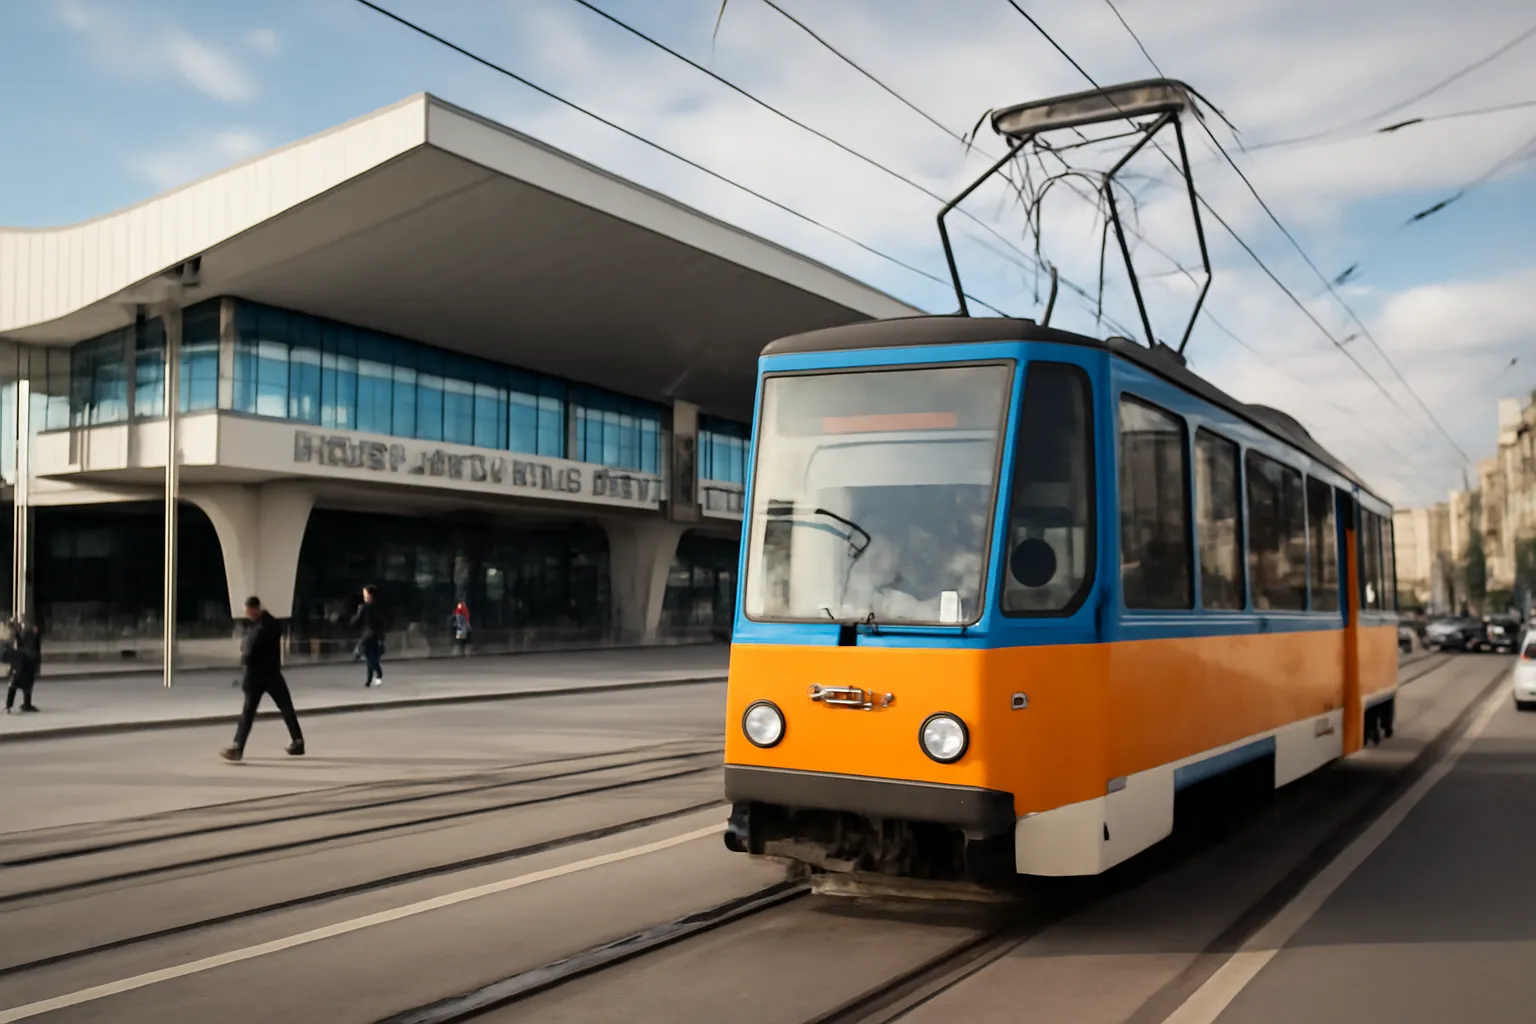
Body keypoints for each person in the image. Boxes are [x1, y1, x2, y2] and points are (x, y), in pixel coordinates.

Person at [221, 596, 304, 761]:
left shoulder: (260, 628)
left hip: (257, 676)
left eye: (247, 612)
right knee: (286, 706)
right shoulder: (271, 624)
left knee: (248, 713)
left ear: (254, 609)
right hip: (273, 674)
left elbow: (249, 652)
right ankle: (298, 741)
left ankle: (238, 747)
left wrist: (244, 651)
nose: (247, 615)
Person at [350, 585, 387, 688]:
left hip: (368, 635)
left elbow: (357, 619)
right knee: (371, 657)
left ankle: (377, 674)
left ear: (370, 595)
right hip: (374, 635)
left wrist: (351, 621)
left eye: (365, 593)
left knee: (370, 658)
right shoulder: (377, 606)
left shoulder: (365, 607)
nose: (364, 595)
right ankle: (370, 679)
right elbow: (383, 622)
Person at [4, 620, 41, 714]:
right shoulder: (32, 637)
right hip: (31, 662)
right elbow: (36, 651)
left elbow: (19, 647)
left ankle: (9, 706)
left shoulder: (25, 639)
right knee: (28, 685)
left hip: (23, 661)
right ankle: (27, 705)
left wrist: (11, 670)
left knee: (14, 684)